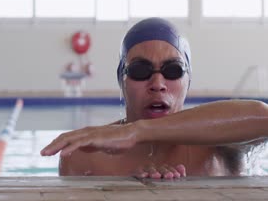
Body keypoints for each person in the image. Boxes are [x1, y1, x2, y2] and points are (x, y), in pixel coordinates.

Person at [41, 17, 268, 179]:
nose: (157, 84)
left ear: (188, 80)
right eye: (140, 70)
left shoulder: (221, 145)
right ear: (122, 80)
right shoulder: (84, 156)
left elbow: (264, 118)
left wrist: (136, 131)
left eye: (173, 71)